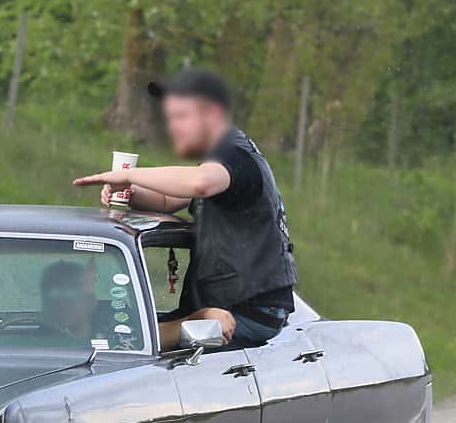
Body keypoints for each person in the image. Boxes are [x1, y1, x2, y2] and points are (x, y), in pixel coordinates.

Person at [73, 66, 297, 350]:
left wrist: (128, 175)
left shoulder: (235, 157)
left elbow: (200, 183)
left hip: (250, 311)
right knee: (142, 337)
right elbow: (169, 199)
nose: (173, 126)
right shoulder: (218, 163)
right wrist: (129, 193)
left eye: (182, 117)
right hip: (231, 304)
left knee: (139, 347)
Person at [36, 260, 102, 341]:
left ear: (90, 302)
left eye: (71, 293)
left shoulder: (112, 347)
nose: (61, 303)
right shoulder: (27, 346)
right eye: (52, 294)